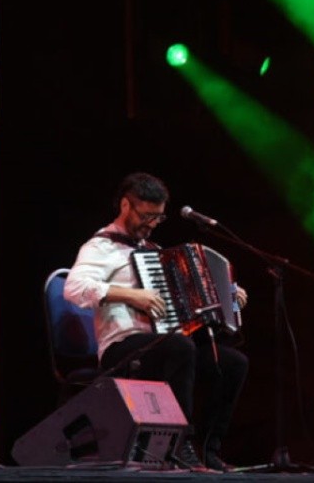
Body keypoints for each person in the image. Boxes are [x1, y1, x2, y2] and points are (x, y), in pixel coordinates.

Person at [64, 172, 249, 471]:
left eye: (158, 218)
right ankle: (177, 446)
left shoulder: (154, 252)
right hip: (122, 348)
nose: (151, 224)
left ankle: (208, 449)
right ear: (126, 205)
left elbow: (190, 298)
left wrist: (227, 295)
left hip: (164, 346)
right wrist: (131, 295)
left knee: (231, 362)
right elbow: (73, 288)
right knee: (180, 347)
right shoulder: (100, 247)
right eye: (147, 215)